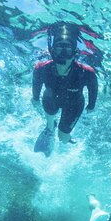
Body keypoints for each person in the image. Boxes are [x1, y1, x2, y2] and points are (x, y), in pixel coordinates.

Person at [31, 22, 98, 155]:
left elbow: (93, 89)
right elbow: (36, 84)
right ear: (52, 51)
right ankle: (50, 128)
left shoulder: (86, 72)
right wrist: (35, 98)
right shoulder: (41, 68)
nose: (63, 56)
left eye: (67, 49)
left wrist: (91, 105)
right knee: (50, 121)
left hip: (74, 105)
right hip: (50, 99)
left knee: (63, 137)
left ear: (75, 52)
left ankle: (65, 136)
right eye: (59, 48)